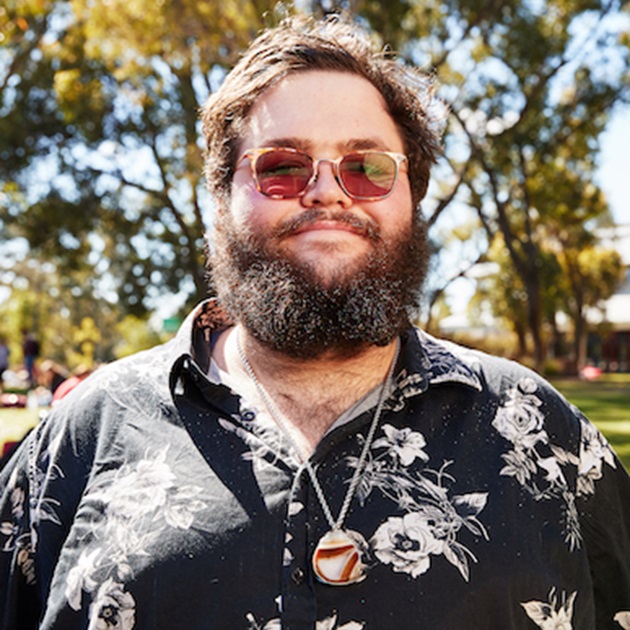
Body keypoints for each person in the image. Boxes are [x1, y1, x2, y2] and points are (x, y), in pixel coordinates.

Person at [1, 15, 629, 630]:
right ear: (221, 200)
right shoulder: (82, 439)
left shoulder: (544, 436)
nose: (329, 191)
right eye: (281, 166)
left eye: (368, 166)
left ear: (413, 197)